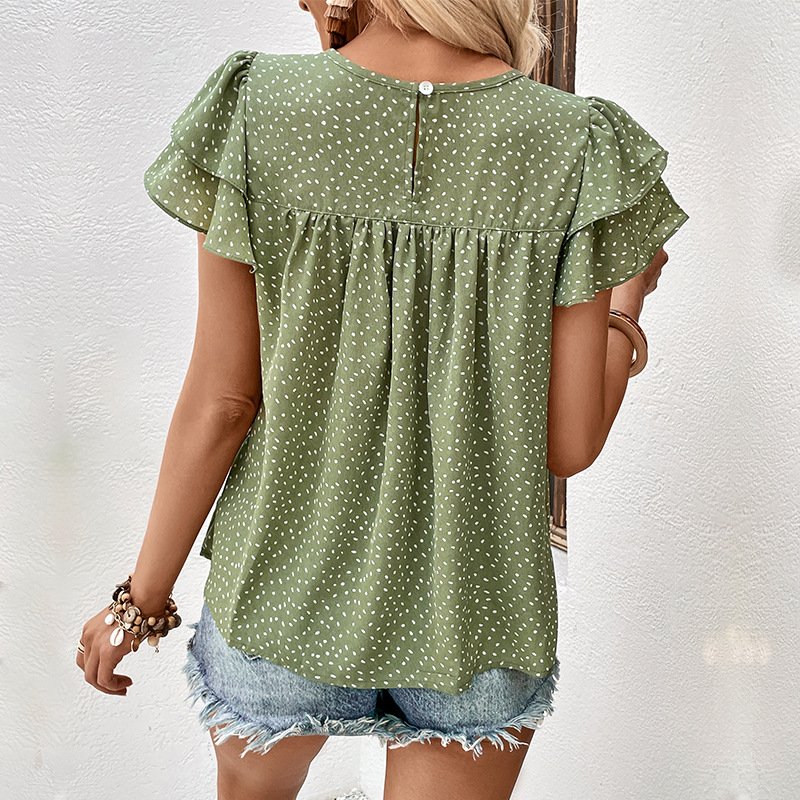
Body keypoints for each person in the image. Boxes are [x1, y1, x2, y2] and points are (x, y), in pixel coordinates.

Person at [76, 1, 689, 798]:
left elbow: (222, 402)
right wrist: (625, 308)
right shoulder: (576, 142)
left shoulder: (258, 106)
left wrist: (139, 604)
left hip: (281, 600)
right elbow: (568, 443)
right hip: (476, 617)